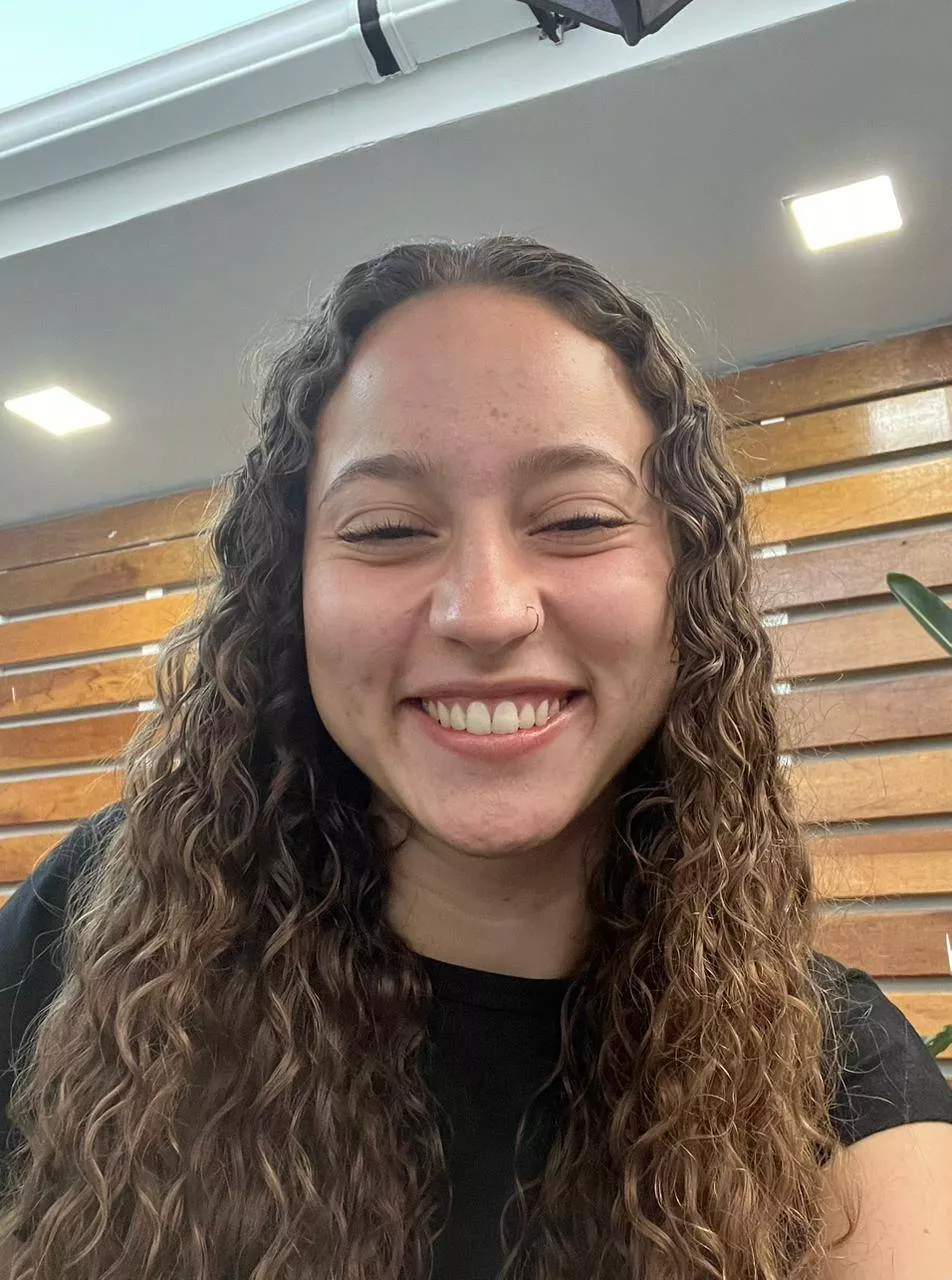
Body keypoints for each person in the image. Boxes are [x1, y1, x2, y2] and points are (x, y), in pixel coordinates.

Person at [0, 236, 950, 1280]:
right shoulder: (106, 921)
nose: (486, 611)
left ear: (687, 584)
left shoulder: (834, 1079)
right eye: (387, 529)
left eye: (578, 519)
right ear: (290, 596)